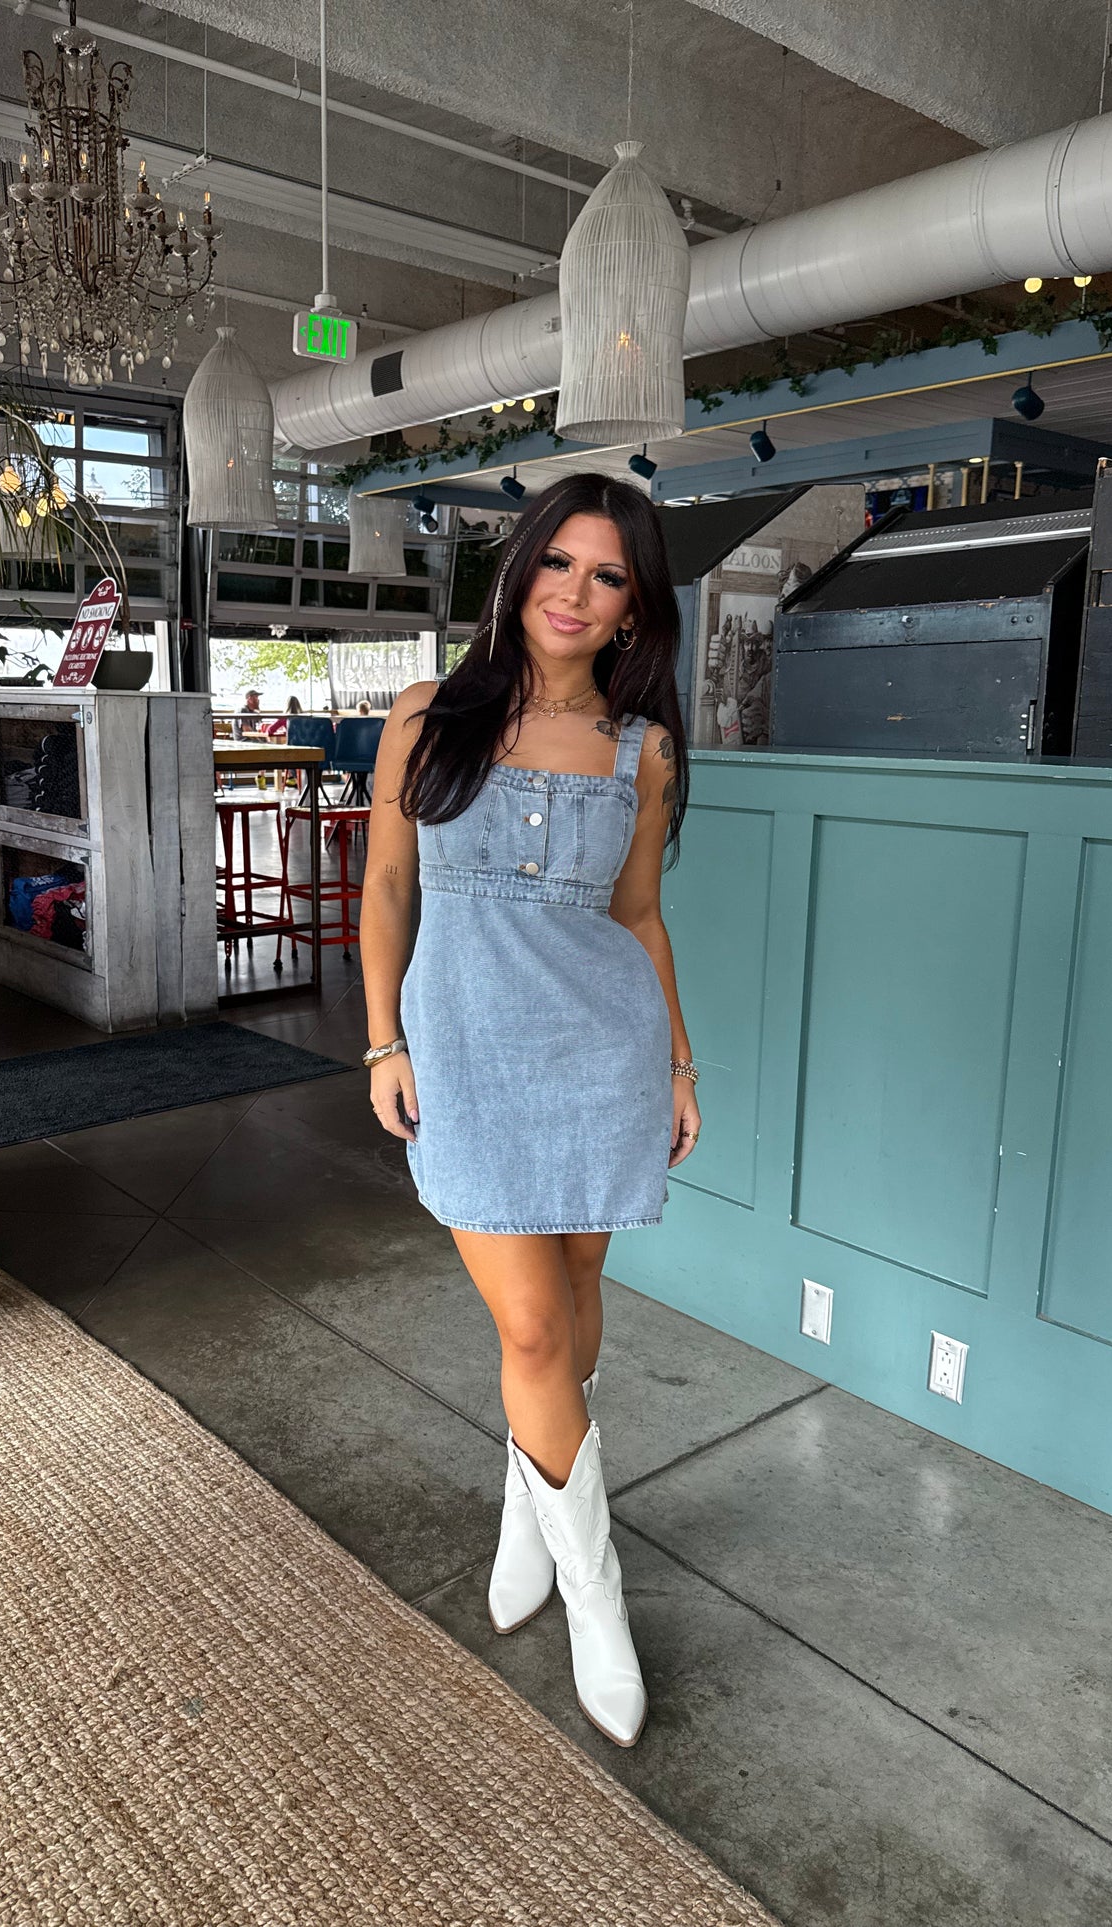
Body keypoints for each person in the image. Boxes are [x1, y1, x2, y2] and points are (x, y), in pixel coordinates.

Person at [359, 471, 700, 1749]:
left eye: (607, 575)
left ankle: (531, 1506)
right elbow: (388, 888)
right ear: (518, 572)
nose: (574, 592)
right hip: (463, 1054)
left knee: (573, 1295)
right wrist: (381, 1040)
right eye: (557, 561)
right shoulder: (424, 716)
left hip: (599, 1054)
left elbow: (639, 917)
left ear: (632, 608)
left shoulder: (640, 749)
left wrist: (676, 1065)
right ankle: (596, 1599)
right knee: (530, 1322)